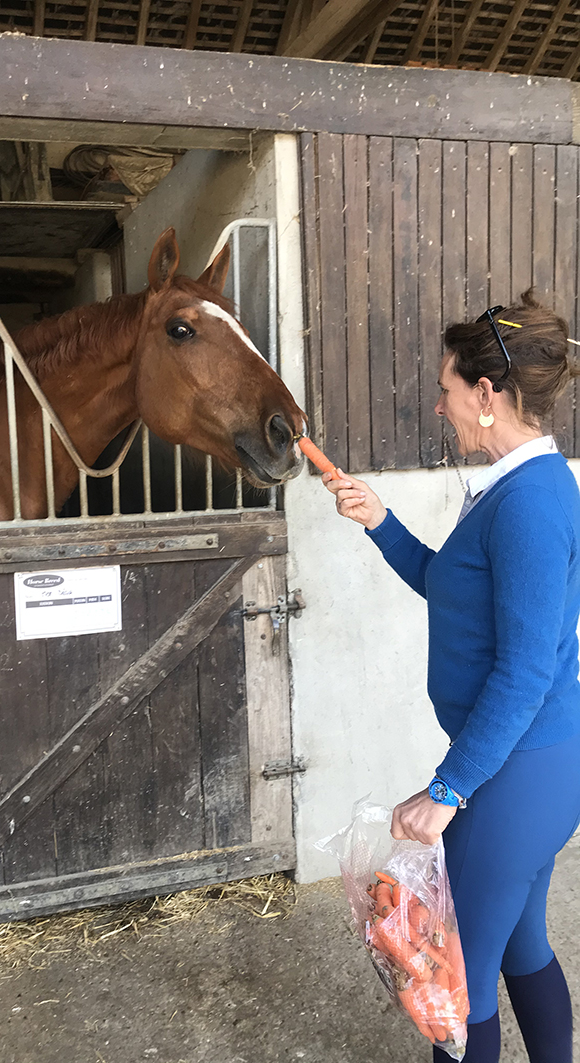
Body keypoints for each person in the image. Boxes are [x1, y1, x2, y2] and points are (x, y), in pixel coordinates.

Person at [324, 290, 580, 1063]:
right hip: (528, 767)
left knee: (448, 979)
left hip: (519, 770)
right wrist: (380, 521)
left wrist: (447, 789)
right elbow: (451, 586)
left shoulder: (529, 501)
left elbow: (526, 668)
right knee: (517, 944)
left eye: (445, 389)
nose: (439, 406)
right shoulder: (515, 486)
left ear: (485, 394)